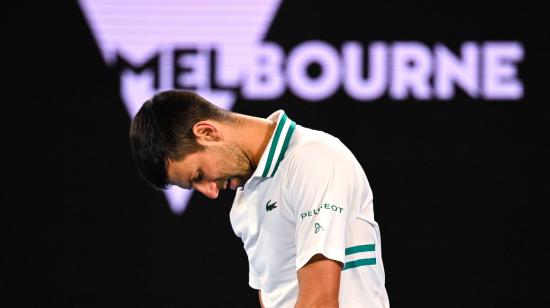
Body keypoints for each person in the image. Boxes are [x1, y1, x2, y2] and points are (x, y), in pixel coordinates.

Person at [129, 90, 390, 308]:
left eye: (199, 175)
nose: (210, 192)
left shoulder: (313, 159)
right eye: (193, 186)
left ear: (207, 132)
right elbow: (274, 298)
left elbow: (320, 301)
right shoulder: (245, 202)